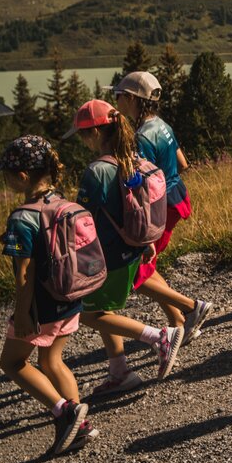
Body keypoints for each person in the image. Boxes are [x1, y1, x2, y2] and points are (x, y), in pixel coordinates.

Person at [67, 100, 183, 397]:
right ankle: (119, 372)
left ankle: (159, 337)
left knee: (88, 314)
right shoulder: (133, 160)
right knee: (105, 309)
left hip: (107, 255)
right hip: (133, 248)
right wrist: (146, 243)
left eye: (82, 135)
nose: (82, 141)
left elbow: (82, 219)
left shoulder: (96, 171)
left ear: (95, 132)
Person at [0, 136, 97, 457]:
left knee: (12, 362)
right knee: (52, 361)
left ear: (23, 176)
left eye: (7, 174)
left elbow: (24, 275)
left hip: (41, 307)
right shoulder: (61, 203)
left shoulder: (22, 218)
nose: (5, 179)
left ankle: (64, 411)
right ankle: (79, 427)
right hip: (71, 297)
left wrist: (22, 314)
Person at [110, 71, 215, 342]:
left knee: (137, 272)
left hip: (159, 207)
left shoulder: (141, 137)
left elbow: (142, 183)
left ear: (131, 98)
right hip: (176, 197)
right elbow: (182, 163)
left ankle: (191, 307)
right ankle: (179, 322)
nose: (115, 101)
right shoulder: (161, 125)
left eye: (117, 95)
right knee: (147, 267)